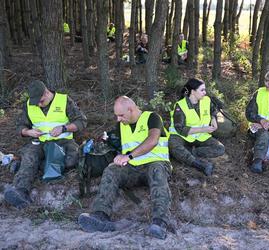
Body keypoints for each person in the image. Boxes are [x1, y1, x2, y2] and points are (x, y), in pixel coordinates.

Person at [78, 96, 172, 240]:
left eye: (121, 115)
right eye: (116, 116)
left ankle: (160, 222)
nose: (118, 119)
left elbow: (153, 141)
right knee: (112, 170)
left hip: (157, 164)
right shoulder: (121, 125)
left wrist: (128, 156)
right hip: (134, 169)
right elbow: (115, 143)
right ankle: (100, 216)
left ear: (131, 109)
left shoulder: (152, 118)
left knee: (156, 170)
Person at [4, 80, 87, 208]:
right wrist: (28, 132)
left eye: (40, 101)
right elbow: (20, 126)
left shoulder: (64, 100)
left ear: (47, 93)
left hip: (63, 142)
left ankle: (26, 166)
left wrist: (64, 128)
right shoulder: (29, 105)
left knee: (71, 161)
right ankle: (21, 192)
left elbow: (81, 121)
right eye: (35, 102)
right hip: (40, 142)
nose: (38, 104)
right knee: (30, 155)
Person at [169, 78, 225, 176]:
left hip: (200, 136)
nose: (205, 92)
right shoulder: (180, 105)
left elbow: (213, 110)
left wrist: (213, 119)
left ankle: (190, 152)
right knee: (173, 145)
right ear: (193, 91)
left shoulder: (206, 100)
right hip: (181, 136)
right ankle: (199, 165)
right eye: (202, 90)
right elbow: (180, 129)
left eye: (205, 90)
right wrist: (203, 129)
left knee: (220, 148)